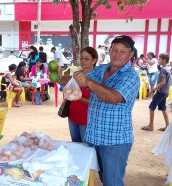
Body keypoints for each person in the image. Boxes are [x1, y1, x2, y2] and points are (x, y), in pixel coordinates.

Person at [74, 35, 140, 186]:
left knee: (112, 182)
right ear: (109, 51)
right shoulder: (102, 69)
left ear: (131, 55)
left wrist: (89, 82)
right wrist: (58, 77)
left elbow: (113, 97)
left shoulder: (131, 76)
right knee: (103, 177)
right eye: (115, 50)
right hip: (94, 136)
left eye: (123, 52)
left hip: (115, 141)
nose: (117, 54)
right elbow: (79, 79)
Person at [68, 47, 97, 142]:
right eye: (81, 58)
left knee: (86, 149)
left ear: (94, 60)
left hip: (87, 120)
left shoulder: (97, 78)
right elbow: (69, 90)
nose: (83, 61)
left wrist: (78, 98)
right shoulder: (76, 74)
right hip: (73, 117)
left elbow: (97, 102)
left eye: (87, 58)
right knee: (75, 145)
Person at [141, 53, 170, 132]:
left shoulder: (163, 70)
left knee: (151, 107)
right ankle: (168, 126)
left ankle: (151, 125)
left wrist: (153, 90)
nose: (159, 60)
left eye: (160, 59)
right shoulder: (168, 68)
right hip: (165, 92)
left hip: (161, 92)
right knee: (163, 108)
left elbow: (163, 82)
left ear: (164, 60)